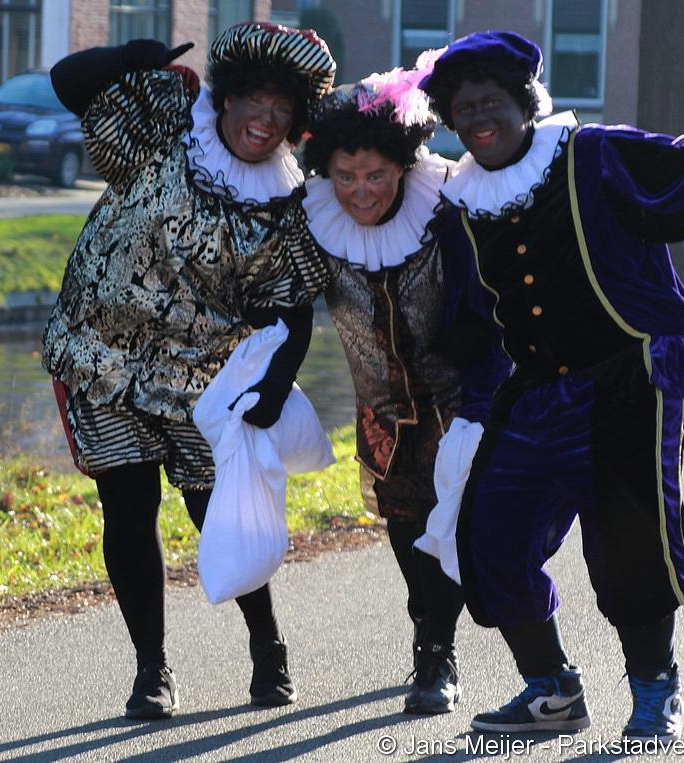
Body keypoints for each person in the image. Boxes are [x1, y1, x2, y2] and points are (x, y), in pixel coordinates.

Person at [417, 31, 684, 740]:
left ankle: (655, 690)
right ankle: (552, 691)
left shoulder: (590, 154)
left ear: (524, 103)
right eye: (464, 109)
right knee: (487, 532)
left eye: (491, 102)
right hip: (535, 388)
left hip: (632, 372)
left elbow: (682, 171)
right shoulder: (463, 203)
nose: (478, 118)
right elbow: (473, 312)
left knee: (630, 538)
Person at [42, 23, 335, 719]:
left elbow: (293, 309)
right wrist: (128, 59)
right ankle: (152, 669)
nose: (265, 120)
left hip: (202, 380)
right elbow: (68, 84)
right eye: (255, 100)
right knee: (127, 511)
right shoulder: (166, 126)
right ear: (227, 97)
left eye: (282, 110)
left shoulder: (286, 206)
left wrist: (274, 384)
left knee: (218, 513)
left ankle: (268, 647)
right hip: (99, 358)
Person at [300, 64, 469, 714]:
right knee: (403, 523)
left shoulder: (446, 203)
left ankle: (438, 652)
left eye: (374, 174)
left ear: (401, 164)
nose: (360, 190)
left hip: (456, 396)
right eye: (345, 176)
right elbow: (275, 293)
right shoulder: (315, 220)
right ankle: (426, 626)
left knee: (448, 522)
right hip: (380, 403)